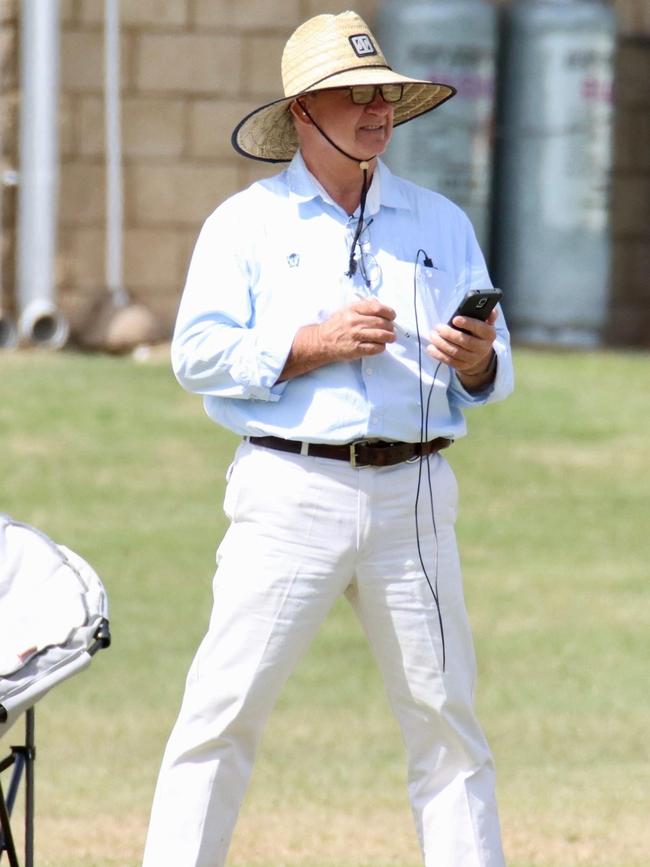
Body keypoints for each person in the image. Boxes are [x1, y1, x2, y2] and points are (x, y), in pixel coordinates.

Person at [142, 11, 514, 867]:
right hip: (289, 490)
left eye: (383, 92)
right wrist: (311, 344)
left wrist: (478, 358)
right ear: (304, 112)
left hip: (416, 495)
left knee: (448, 723)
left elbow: (496, 374)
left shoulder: (441, 221)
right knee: (221, 715)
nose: (376, 109)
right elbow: (195, 354)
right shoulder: (245, 224)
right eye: (354, 96)